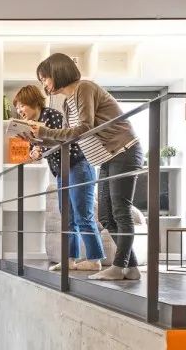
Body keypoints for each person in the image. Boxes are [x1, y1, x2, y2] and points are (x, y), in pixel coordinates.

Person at [28, 53, 143, 281]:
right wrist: (37, 140)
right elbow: (68, 138)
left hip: (124, 151)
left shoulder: (85, 88)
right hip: (107, 158)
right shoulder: (67, 104)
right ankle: (131, 267)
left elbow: (84, 128)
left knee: (120, 211)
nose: (45, 85)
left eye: (45, 78)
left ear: (57, 73)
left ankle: (119, 266)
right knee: (106, 216)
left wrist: (44, 132)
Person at [13, 85, 104, 272]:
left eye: (22, 105)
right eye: (17, 107)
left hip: (78, 165)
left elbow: (62, 140)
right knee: (67, 217)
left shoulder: (51, 115)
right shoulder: (32, 126)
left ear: (33, 102)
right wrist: (34, 152)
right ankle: (69, 259)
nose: (19, 110)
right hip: (62, 171)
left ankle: (95, 260)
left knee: (82, 214)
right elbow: (40, 148)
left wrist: (40, 146)